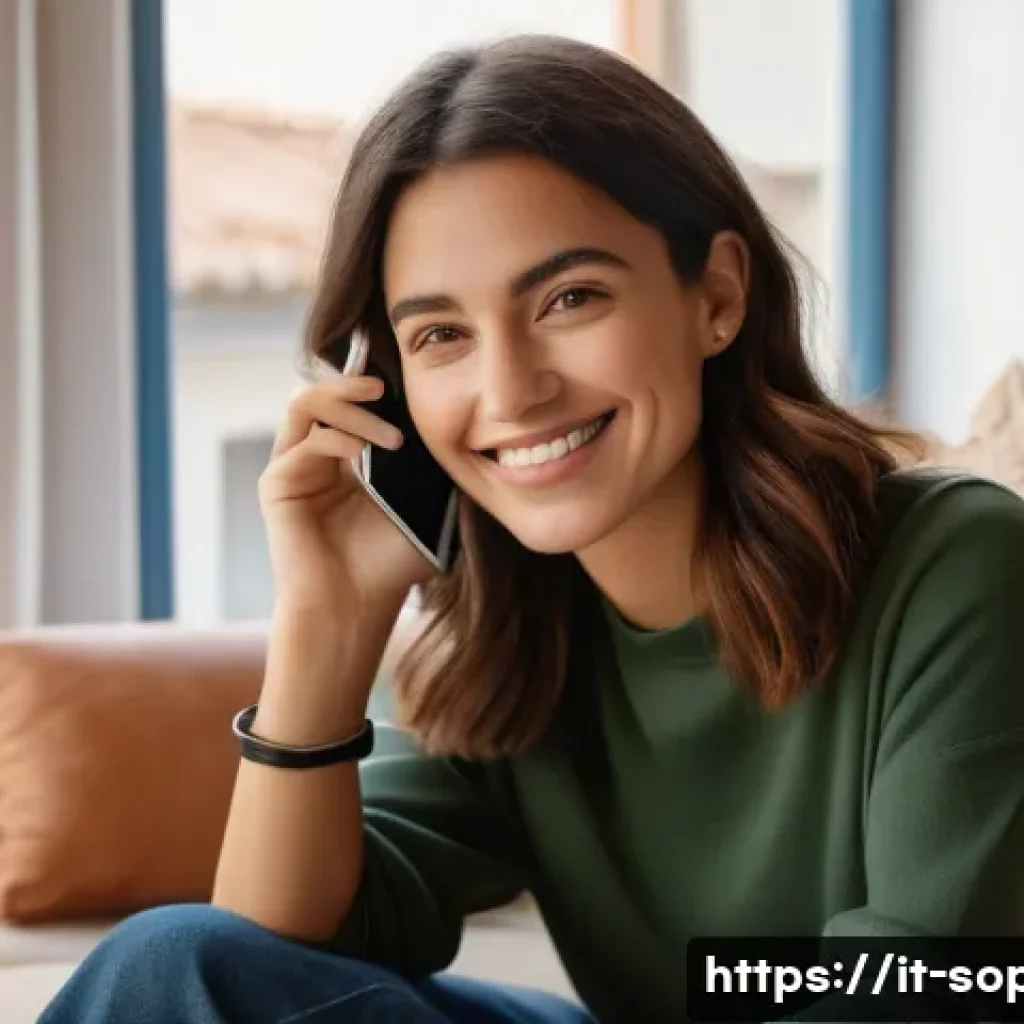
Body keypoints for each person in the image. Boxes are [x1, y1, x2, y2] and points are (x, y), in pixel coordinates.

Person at [39, 33, 1024, 1024]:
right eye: (441, 336)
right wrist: (326, 619)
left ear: (717, 296)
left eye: (569, 298)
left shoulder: (955, 566)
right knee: (168, 962)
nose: (510, 388)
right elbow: (261, 957)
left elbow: (926, 994)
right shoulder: (501, 625)